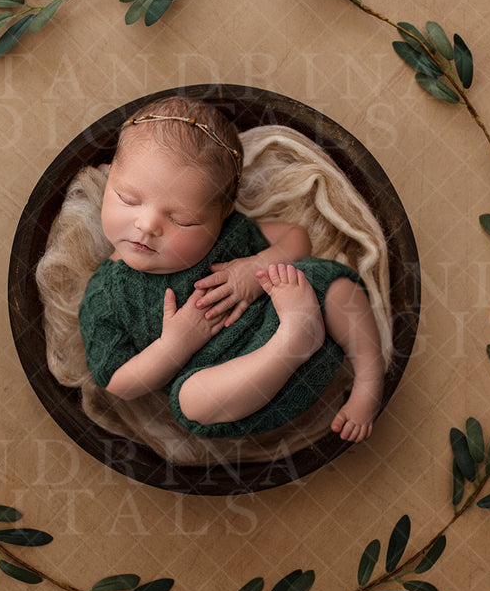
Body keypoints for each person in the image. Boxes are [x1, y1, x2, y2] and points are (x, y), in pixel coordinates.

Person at [78, 95, 385, 442]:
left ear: (218, 217)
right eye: (128, 200)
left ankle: (369, 382)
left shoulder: (228, 235)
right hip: (241, 390)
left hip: (304, 321)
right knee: (189, 400)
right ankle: (291, 342)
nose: (147, 224)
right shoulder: (105, 295)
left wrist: (256, 266)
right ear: (108, 183)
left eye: (182, 219)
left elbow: (297, 239)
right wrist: (175, 346)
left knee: (329, 281)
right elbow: (119, 384)